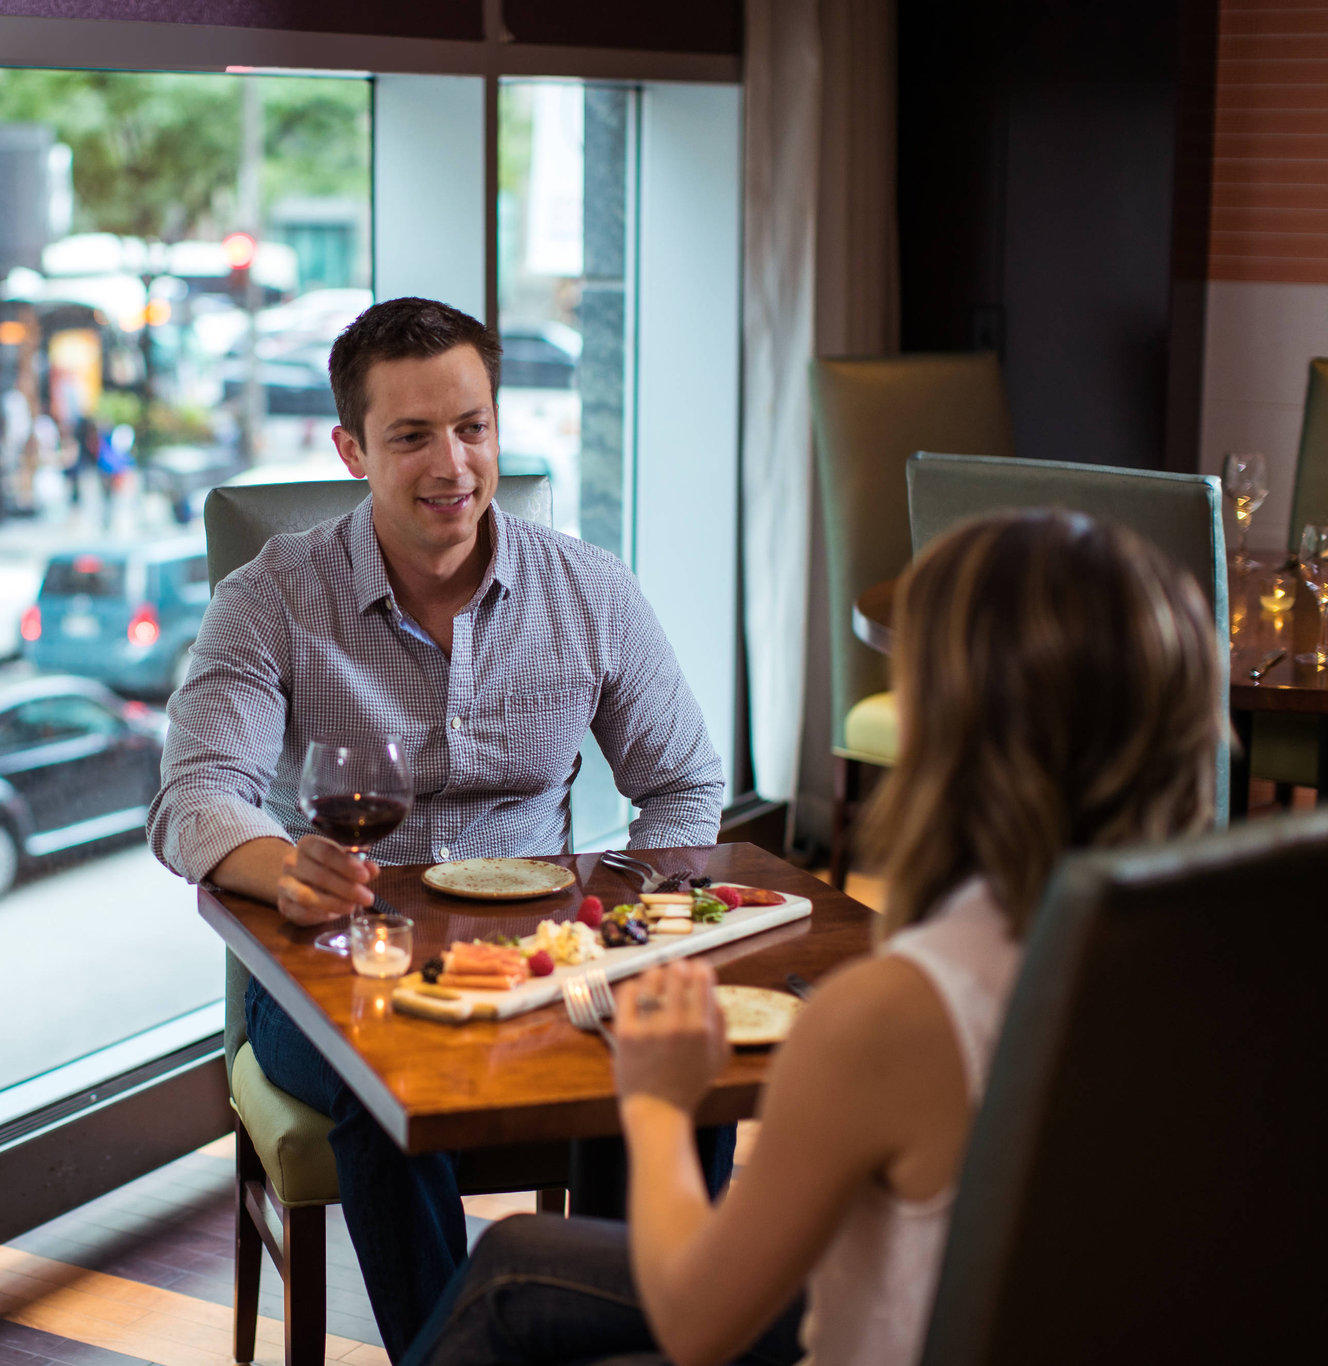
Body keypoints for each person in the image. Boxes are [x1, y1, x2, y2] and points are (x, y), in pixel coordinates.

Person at [401, 508, 1227, 1366]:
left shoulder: (897, 1012)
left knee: (511, 1295)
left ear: (958, 733)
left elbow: (693, 1322)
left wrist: (656, 1102)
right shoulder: (1223, 969)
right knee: (515, 1261)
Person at [146, 296, 726, 1358]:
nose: (450, 463)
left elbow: (685, 784)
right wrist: (285, 870)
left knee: (683, 1056)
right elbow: (192, 798)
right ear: (351, 449)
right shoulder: (269, 596)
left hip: (547, 964)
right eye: (410, 436)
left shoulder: (588, 589)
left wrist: (633, 914)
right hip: (336, 975)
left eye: (471, 426)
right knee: (387, 1079)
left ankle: (640, 1337)